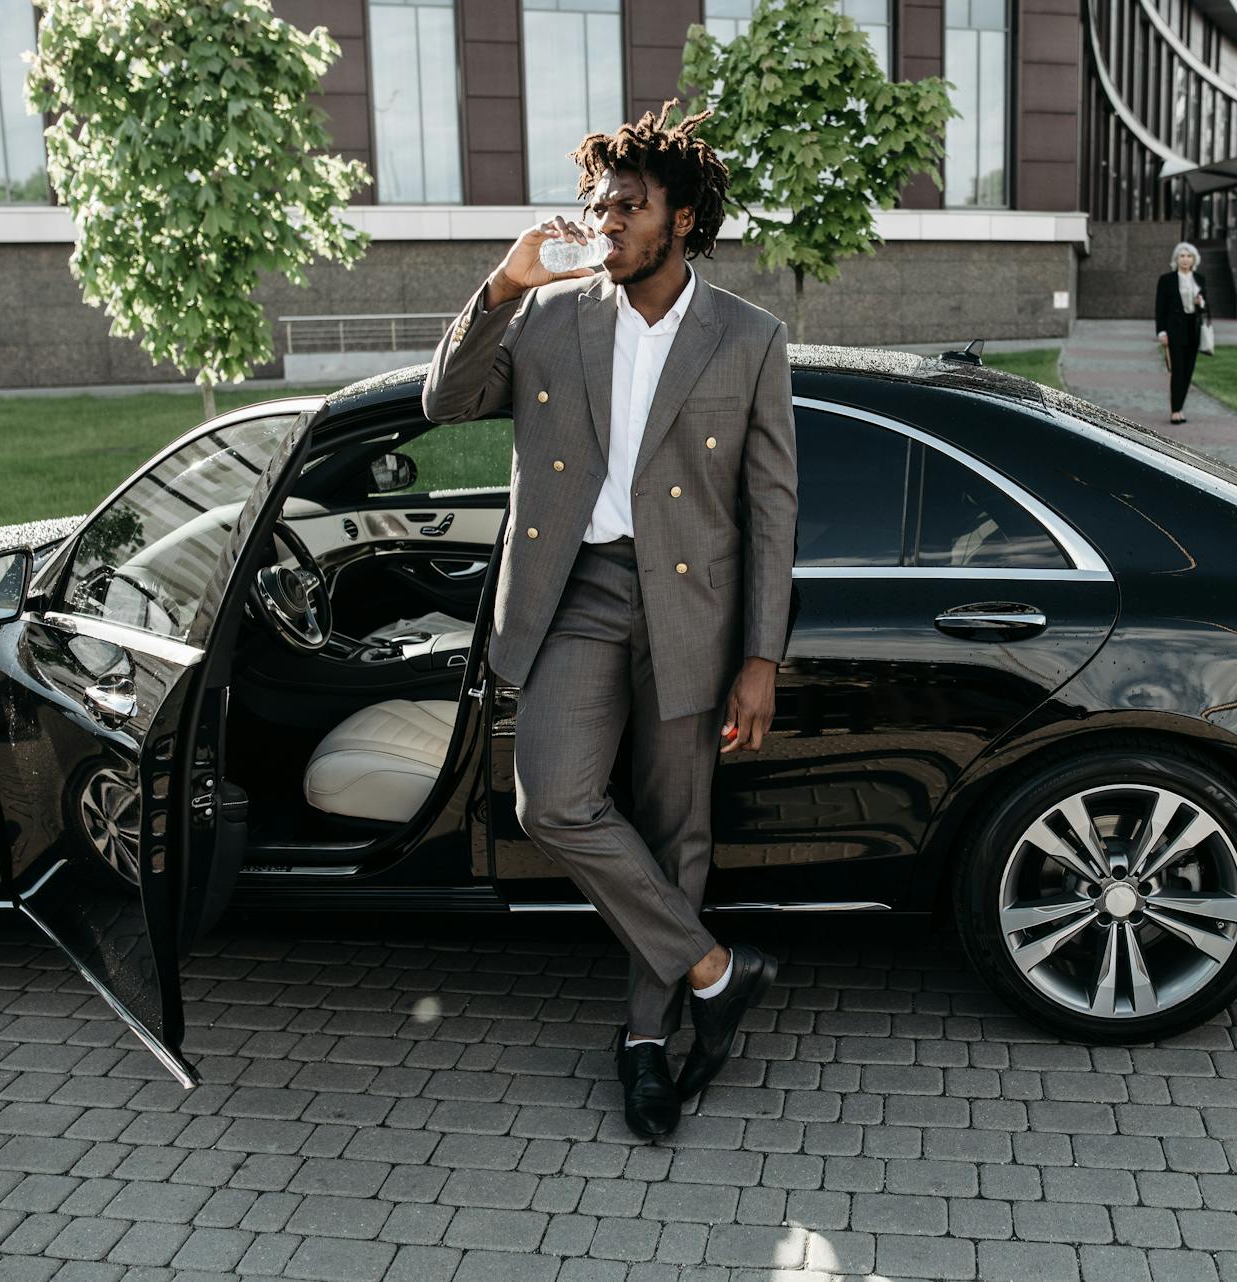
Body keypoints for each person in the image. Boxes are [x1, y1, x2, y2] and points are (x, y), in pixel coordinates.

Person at [422, 101, 796, 1141]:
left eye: (629, 205)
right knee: (555, 797)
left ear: (681, 221)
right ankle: (718, 971)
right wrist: (503, 282)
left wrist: (760, 655)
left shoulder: (751, 338)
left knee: (679, 828)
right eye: (598, 203)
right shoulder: (548, 315)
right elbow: (443, 401)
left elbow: (773, 507)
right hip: (574, 595)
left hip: (696, 609)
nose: (606, 219)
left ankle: (647, 1041)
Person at [1155, 241, 1210, 425]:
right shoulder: (1166, 280)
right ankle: (1175, 411)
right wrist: (1161, 332)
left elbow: (1206, 308)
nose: (1185, 259)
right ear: (1176, 259)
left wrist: (1200, 303)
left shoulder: (1200, 279)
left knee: (1188, 372)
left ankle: (1180, 406)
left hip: (1193, 330)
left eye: (1189, 256)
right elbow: (1160, 308)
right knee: (1177, 371)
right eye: (1182, 256)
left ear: (1194, 259)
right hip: (1174, 330)